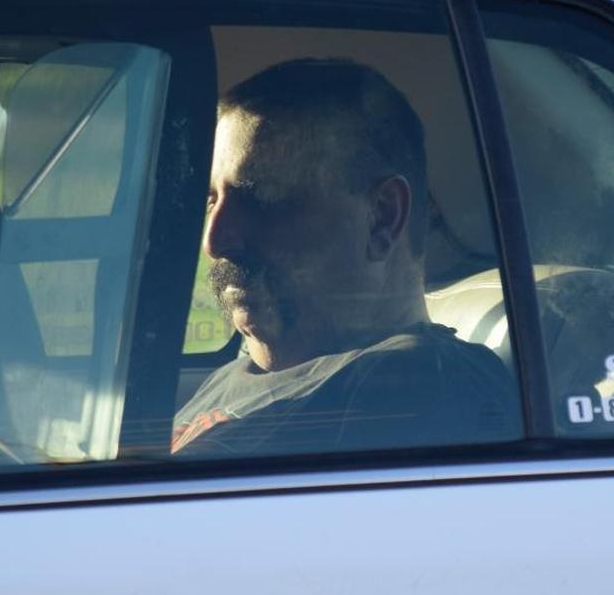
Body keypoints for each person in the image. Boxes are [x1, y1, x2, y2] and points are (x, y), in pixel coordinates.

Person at [171, 58, 521, 457]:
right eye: (211, 200)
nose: (213, 240)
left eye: (261, 196)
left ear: (381, 219)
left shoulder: (413, 391)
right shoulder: (235, 376)